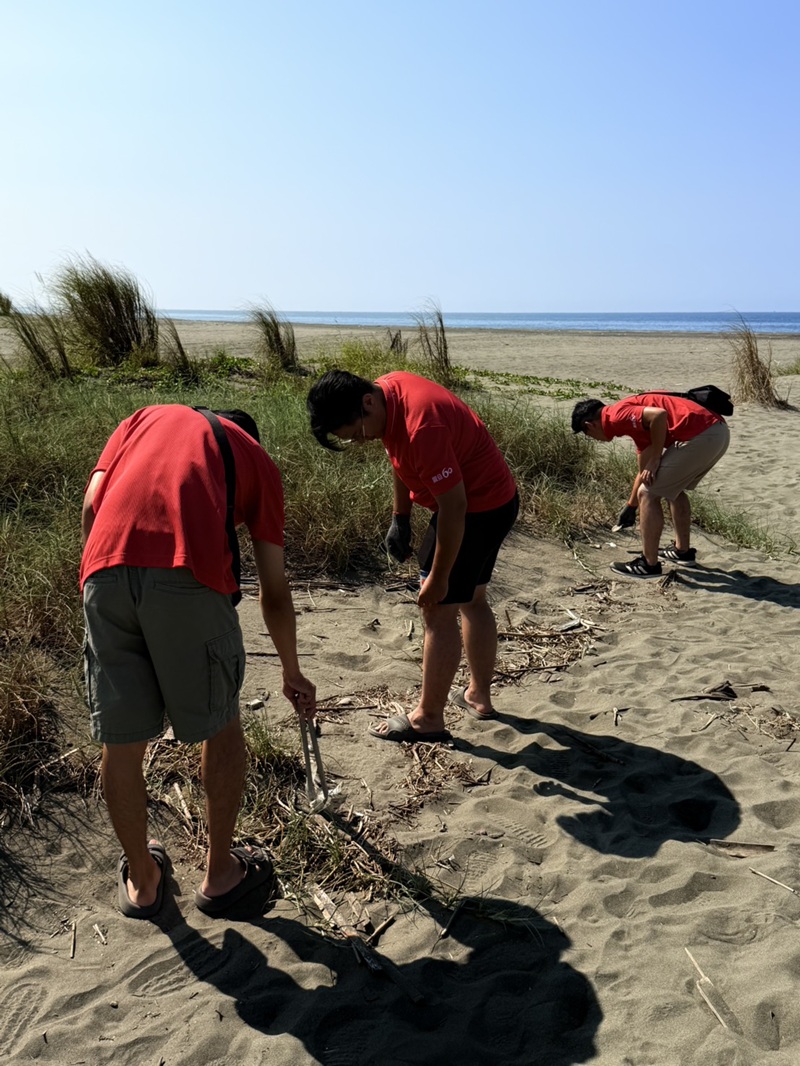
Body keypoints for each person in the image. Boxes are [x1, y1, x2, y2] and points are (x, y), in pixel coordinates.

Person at [81, 404, 316, 919]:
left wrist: (107, 585)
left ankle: (144, 883)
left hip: (101, 570)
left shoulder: (141, 420)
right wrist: (291, 669)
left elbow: (92, 504)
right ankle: (221, 875)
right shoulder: (255, 458)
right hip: (184, 574)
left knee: (120, 743)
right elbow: (274, 590)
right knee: (222, 725)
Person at [307, 369, 518, 742]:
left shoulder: (423, 427)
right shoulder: (387, 392)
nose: (360, 441)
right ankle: (477, 696)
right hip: (497, 500)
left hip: (475, 510)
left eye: (356, 433)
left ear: (367, 403)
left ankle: (428, 719)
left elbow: (454, 507)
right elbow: (398, 454)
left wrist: (438, 578)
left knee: (437, 611)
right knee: (473, 599)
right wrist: (400, 518)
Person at [571, 393, 730, 577]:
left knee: (647, 494)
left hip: (702, 433)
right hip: (717, 432)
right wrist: (631, 506)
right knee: (673, 489)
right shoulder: (632, 423)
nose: (591, 438)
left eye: (587, 434)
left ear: (590, 425)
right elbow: (644, 473)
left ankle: (649, 564)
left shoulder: (616, 415)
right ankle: (682, 552)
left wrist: (656, 458)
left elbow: (659, 415)